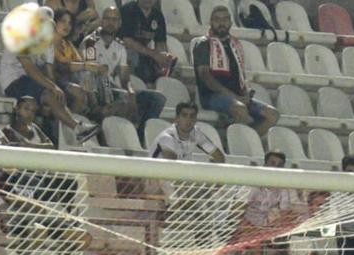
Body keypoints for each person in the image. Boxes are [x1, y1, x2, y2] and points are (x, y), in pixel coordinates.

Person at [192, 5, 279, 135]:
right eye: (217, 19)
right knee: (240, 109)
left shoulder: (235, 44)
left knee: (273, 114)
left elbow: (240, 75)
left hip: (237, 96)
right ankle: (237, 140)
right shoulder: (203, 44)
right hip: (212, 96)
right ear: (210, 22)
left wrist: (245, 94)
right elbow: (205, 76)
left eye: (225, 19)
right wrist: (233, 96)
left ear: (231, 22)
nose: (221, 23)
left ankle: (249, 140)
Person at [0, 32, 100, 142]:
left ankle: (66, 133)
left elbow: (48, 73)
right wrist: (52, 88)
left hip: (32, 81)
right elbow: (30, 70)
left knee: (77, 92)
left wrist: (55, 88)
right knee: (51, 94)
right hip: (14, 81)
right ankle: (77, 128)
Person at [81, 6, 166, 126]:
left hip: (111, 89)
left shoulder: (120, 46)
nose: (111, 23)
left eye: (114, 20)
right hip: (95, 89)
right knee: (121, 102)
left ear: (120, 23)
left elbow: (124, 78)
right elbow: (88, 73)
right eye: (107, 19)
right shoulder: (90, 42)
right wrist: (95, 103)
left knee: (156, 99)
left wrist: (130, 91)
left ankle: (141, 134)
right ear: (102, 21)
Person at [51, 9, 102, 118]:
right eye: (63, 21)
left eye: (70, 23)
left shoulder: (67, 43)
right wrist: (84, 66)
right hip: (55, 79)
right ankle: (72, 124)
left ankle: (94, 108)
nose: (67, 26)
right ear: (54, 22)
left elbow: (79, 62)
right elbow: (61, 67)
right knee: (80, 90)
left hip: (71, 78)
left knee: (87, 75)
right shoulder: (48, 43)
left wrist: (85, 66)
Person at [119, 0, 178, 87]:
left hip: (145, 53)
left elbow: (161, 42)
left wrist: (163, 57)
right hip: (124, 51)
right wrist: (153, 54)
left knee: (171, 66)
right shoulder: (128, 10)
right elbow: (127, 41)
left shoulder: (158, 16)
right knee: (133, 56)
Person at [152, 101, 224, 162]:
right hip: (154, 175)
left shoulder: (196, 134)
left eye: (192, 116)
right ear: (177, 118)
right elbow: (172, 165)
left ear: (196, 119)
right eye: (184, 115)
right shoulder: (167, 137)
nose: (188, 120)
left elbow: (219, 158)